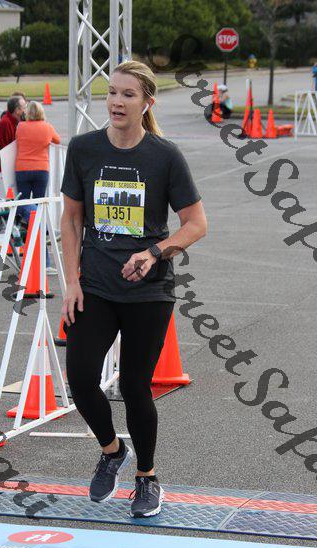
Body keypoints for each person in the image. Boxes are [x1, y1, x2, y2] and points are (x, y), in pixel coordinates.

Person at [60, 60, 207, 518]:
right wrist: (70, 281)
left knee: (134, 385)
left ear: (147, 103)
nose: (117, 102)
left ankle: (147, 477)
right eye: (112, 92)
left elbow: (196, 224)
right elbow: (71, 219)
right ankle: (111, 451)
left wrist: (155, 253)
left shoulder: (164, 156)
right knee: (80, 377)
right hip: (95, 286)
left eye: (128, 94)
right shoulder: (83, 148)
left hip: (148, 292)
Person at [15, 100, 60, 222]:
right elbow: (57, 140)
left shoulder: (21, 126)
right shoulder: (47, 127)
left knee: (22, 201)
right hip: (41, 168)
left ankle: (22, 225)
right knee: (39, 201)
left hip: (22, 167)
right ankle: (38, 226)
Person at [0, 95, 28, 173]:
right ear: (17, 110)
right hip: (4, 169)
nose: (26, 110)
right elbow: (4, 150)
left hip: (11, 166)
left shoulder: (18, 121)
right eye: (24, 107)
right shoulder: (5, 124)